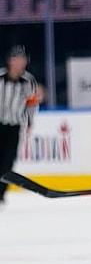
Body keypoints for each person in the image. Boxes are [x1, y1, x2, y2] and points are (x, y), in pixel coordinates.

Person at [0, 45, 38, 209]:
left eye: (23, 59)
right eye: (17, 59)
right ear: (10, 61)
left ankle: (0, 194)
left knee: (8, 162)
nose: (21, 62)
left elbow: (31, 104)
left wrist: (29, 123)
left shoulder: (28, 81)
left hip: (14, 126)